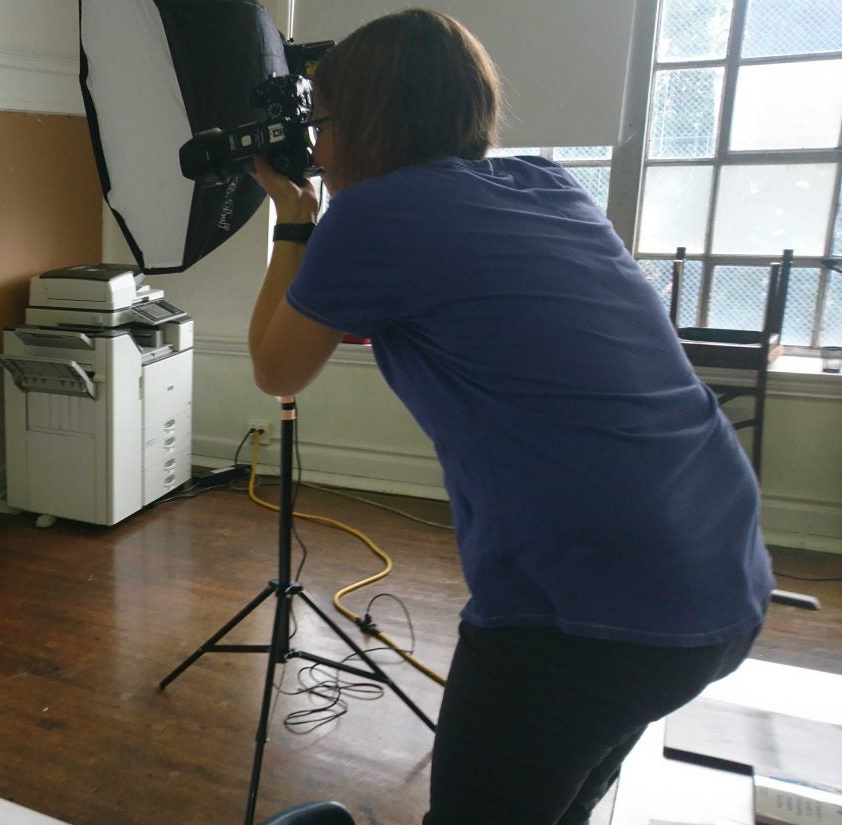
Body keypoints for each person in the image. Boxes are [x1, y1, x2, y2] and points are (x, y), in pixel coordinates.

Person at [246, 10, 773, 825]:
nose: (316, 148)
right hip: (719, 576)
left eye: (323, 123)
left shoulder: (372, 217)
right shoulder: (548, 184)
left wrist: (295, 215)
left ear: (367, 122)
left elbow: (276, 369)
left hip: (588, 605)